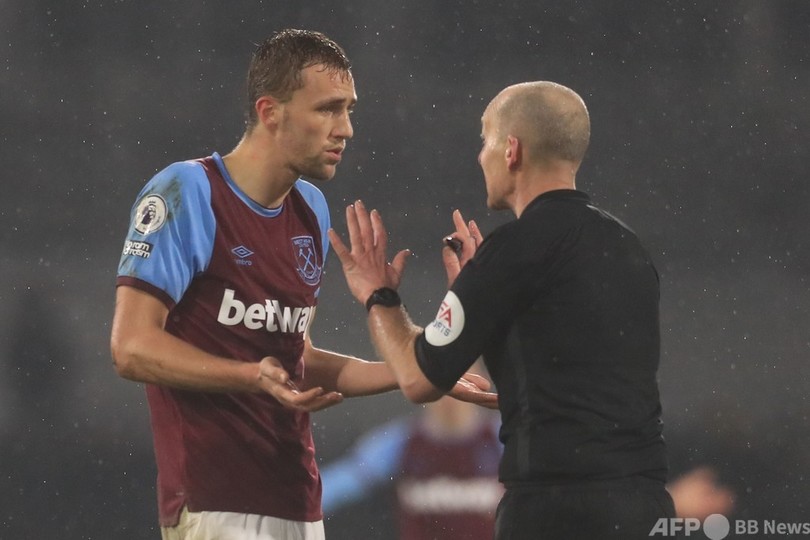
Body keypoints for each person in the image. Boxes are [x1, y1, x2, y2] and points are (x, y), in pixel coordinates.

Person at [110, 29, 494, 540]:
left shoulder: (310, 208)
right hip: (214, 502)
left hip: (298, 503)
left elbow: (299, 359)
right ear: (270, 112)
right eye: (328, 109)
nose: (346, 129)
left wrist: (421, 367)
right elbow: (131, 348)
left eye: (349, 110)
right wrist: (250, 375)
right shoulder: (187, 192)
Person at [328, 81, 675, 539]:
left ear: (511, 150)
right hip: (645, 509)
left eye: (485, 140)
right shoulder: (629, 248)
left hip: (555, 511)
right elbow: (569, 353)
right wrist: (479, 297)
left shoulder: (513, 249)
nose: (480, 156)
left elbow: (418, 379)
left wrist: (379, 296)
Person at [321, 386, 504, 540]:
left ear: (480, 388)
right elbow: (339, 483)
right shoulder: (401, 442)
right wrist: (305, 506)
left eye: (460, 387)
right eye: (444, 389)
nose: (450, 400)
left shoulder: (500, 440)